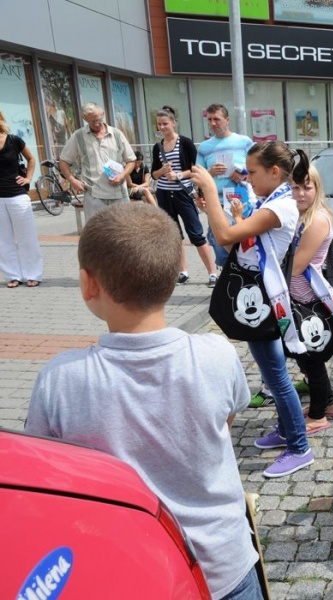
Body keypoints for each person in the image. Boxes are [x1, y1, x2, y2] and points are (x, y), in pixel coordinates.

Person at [24, 202, 262, 599]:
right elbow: (224, 425)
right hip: (224, 565)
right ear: (177, 268)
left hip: (128, 572)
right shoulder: (217, 355)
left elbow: (49, 477)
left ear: (88, 284)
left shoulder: (60, 379)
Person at [197, 141, 315, 478]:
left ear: (274, 172)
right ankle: (286, 430)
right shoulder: (269, 201)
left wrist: (209, 187)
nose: (247, 178)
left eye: (252, 172)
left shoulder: (281, 207)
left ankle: (299, 446)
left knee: (276, 377)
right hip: (259, 294)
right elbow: (235, 239)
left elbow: (223, 237)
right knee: (272, 373)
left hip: (263, 296)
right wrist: (215, 208)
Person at [248, 164, 333, 429]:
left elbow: (297, 266)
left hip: (309, 301)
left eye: (307, 187)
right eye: (295, 187)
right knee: (304, 358)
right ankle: (328, 404)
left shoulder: (318, 219)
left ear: (317, 188)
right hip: (297, 298)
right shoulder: (299, 216)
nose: (300, 193)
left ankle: (318, 416)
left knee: (311, 360)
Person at [151, 106, 218, 286]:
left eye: (165, 123)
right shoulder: (157, 147)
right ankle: (183, 271)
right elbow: (153, 175)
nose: (162, 127)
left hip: (183, 192)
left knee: (196, 233)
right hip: (164, 194)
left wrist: (179, 175)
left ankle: (212, 273)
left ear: (174, 123)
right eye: (159, 124)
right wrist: (162, 171)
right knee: (174, 234)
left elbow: (197, 168)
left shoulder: (185, 143)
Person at [196, 103, 255, 270]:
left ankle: (245, 275)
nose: (213, 123)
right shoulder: (205, 147)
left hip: (240, 197)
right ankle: (227, 280)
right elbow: (197, 175)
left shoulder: (244, 142)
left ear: (227, 120)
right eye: (209, 120)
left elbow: (258, 167)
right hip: (216, 202)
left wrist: (243, 173)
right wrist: (210, 172)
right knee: (220, 245)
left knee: (244, 243)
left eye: (217, 119)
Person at [59, 102, 136, 220]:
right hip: (94, 196)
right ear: (85, 119)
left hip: (119, 194)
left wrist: (122, 175)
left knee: (124, 232)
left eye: (99, 120)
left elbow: (131, 160)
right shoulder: (78, 136)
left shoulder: (116, 134)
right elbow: (63, 160)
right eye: (92, 121)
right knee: (97, 235)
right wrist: (72, 180)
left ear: (103, 114)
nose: (96, 124)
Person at [0, 110, 43, 288]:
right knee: (3, 240)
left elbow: (31, 159)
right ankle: (12, 275)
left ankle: (33, 273)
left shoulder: (13, 139)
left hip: (17, 195)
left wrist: (28, 178)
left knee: (27, 237)